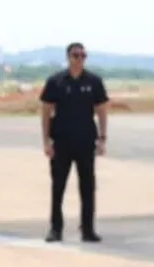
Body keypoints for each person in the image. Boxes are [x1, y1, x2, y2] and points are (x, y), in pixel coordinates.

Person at [39, 42, 109, 242]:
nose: (79, 59)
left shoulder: (94, 82)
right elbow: (45, 112)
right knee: (58, 187)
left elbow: (102, 111)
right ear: (68, 57)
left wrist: (102, 138)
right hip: (61, 142)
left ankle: (88, 229)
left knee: (88, 186)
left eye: (82, 55)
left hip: (86, 141)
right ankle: (55, 229)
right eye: (75, 55)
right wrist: (46, 141)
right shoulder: (56, 81)